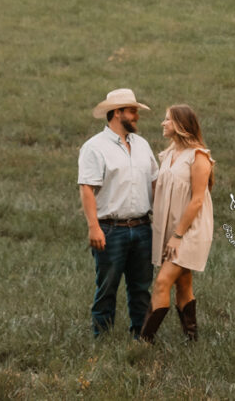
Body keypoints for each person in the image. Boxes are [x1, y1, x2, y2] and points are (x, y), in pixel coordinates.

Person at [78, 88, 159, 337]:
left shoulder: (142, 145)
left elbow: (156, 183)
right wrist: (94, 227)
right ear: (116, 113)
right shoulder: (95, 147)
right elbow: (87, 189)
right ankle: (102, 340)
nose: (136, 116)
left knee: (141, 288)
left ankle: (142, 338)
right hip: (110, 229)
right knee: (107, 287)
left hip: (143, 227)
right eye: (132, 111)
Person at [140, 104, 215, 343]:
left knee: (162, 282)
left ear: (181, 125)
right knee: (183, 283)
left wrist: (178, 235)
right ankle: (191, 339)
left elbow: (197, 200)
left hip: (188, 231)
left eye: (168, 120)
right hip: (170, 228)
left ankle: (144, 341)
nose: (163, 124)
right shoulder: (169, 154)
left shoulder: (199, 157)